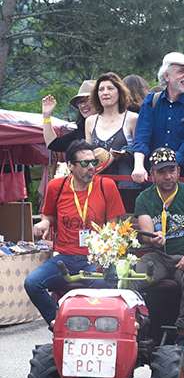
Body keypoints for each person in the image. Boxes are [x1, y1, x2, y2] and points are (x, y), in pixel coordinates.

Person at [24, 140, 126, 329]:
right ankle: (58, 324)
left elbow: (114, 224)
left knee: (100, 286)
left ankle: (93, 331)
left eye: (93, 162)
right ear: (70, 165)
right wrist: (45, 222)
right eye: (85, 163)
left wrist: (105, 250)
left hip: (94, 258)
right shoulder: (57, 186)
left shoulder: (107, 185)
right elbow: (50, 215)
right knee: (32, 283)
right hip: (65, 257)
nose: (91, 167)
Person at [133, 148, 184, 359]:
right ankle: (134, 328)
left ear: (178, 171)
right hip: (158, 257)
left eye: (171, 170)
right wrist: (154, 238)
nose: (167, 176)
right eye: (161, 172)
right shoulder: (145, 197)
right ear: (152, 174)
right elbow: (145, 234)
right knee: (128, 277)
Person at [131, 52, 184, 183]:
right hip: (153, 176)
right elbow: (142, 135)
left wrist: (169, 164)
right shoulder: (151, 101)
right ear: (166, 76)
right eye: (181, 71)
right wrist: (138, 166)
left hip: (183, 177)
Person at [85, 72, 139, 211]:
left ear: (119, 92)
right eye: (101, 89)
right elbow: (87, 153)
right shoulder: (90, 121)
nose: (105, 93)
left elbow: (141, 148)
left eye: (110, 88)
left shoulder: (132, 118)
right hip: (97, 186)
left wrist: (126, 153)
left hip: (126, 186)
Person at [42, 80, 95, 152]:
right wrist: (46, 116)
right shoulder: (79, 132)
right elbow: (52, 144)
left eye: (87, 100)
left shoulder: (112, 127)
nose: (82, 105)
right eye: (79, 102)